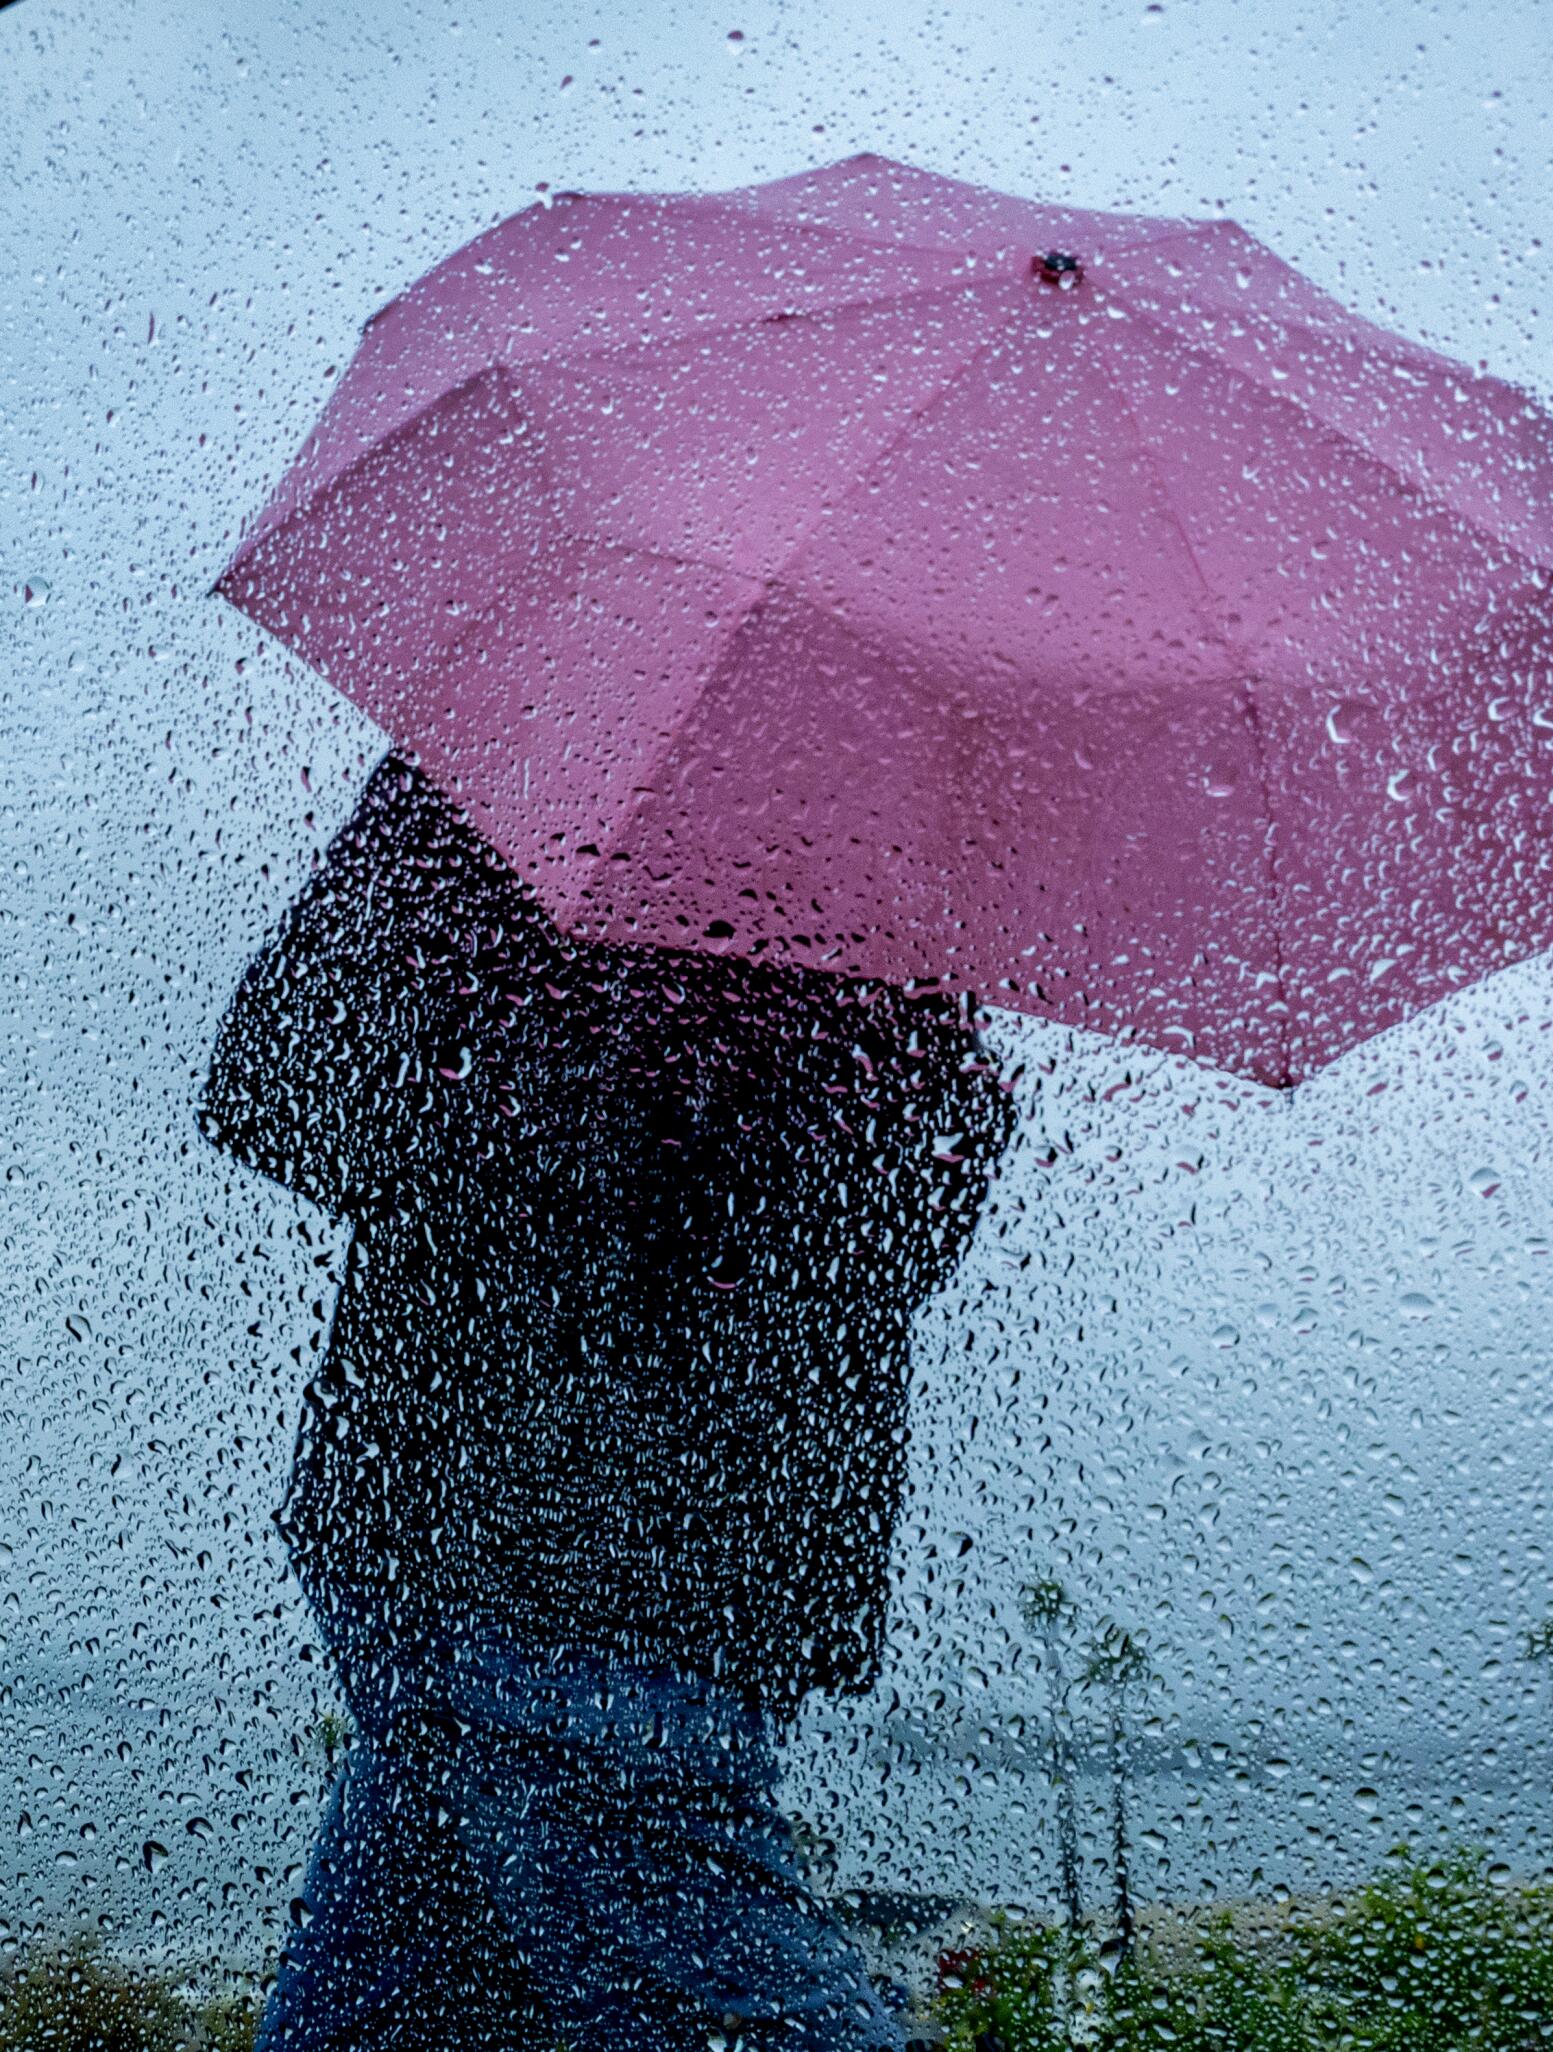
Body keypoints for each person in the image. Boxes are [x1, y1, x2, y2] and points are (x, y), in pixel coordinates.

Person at [199, 753, 1016, 2051]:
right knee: (682, 1962)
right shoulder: (531, 753)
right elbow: (278, 1081)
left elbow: (911, 1193)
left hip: (594, 1529)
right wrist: (612, 1135)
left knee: (413, 1973)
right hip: (550, 1533)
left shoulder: (839, 807)